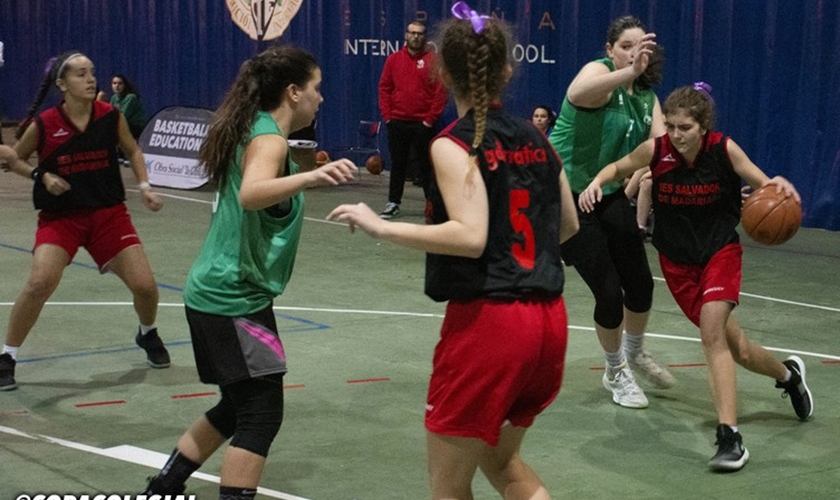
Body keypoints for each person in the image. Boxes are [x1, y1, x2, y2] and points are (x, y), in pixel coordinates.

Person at [328, 4, 579, 498]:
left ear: (441, 74)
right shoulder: (538, 138)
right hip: (549, 320)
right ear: (507, 71)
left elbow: (470, 236)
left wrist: (382, 228)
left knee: (447, 487)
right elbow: (568, 226)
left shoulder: (453, 144)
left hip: (492, 322)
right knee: (501, 462)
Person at [140, 45, 356, 498]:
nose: (321, 98)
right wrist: (313, 177)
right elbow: (253, 193)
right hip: (231, 296)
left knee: (237, 405)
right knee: (261, 413)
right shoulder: (269, 140)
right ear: (293, 92)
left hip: (223, 292)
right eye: (317, 88)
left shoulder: (254, 127)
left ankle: (163, 488)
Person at [578, 83, 813, 472]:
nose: (675, 134)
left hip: (719, 253)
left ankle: (730, 438)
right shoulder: (656, 151)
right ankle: (788, 376)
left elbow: (765, 184)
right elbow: (618, 168)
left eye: (684, 127)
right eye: (670, 125)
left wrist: (779, 184)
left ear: (703, 126)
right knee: (740, 349)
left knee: (711, 334)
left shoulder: (724, 149)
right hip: (677, 264)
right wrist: (595, 183)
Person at [0, 51, 170, 392]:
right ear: (61, 84)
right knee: (39, 283)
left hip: (108, 214)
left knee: (145, 287)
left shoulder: (110, 115)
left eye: (92, 72)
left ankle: (147, 333)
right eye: (80, 74)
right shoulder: (45, 124)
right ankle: (7, 356)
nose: (90, 79)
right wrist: (41, 176)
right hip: (61, 218)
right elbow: (14, 160)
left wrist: (145, 186)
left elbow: (133, 150)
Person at [548, 15, 674, 409]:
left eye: (641, 47)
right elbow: (578, 91)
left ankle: (634, 352)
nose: (634, 53)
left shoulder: (646, 99)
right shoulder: (599, 74)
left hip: (607, 192)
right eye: (625, 46)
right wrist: (628, 72)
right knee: (607, 291)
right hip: (567, 197)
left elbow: (663, 149)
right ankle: (615, 369)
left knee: (641, 285)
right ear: (610, 50)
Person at [377, 19, 447, 219]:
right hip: (397, 122)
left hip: (423, 125)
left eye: (419, 33)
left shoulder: (434, 61)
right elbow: (384, 89)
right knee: (398, 164)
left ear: (424, 37)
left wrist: (429, 120)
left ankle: (432, 205)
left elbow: (440, 92)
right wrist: (388, 117)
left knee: (426, 166)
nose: (415, 37)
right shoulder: (393, 60)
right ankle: (393, 203)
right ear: (406, 35)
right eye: (412, 33)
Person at [109, 74, 146, 139]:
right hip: (123, 125)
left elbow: (122, 117)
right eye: (114, 83)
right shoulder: (113, 97)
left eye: (120, 83)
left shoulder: (131, 98)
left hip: (136, 127)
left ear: (125, 85)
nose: (117, 86)